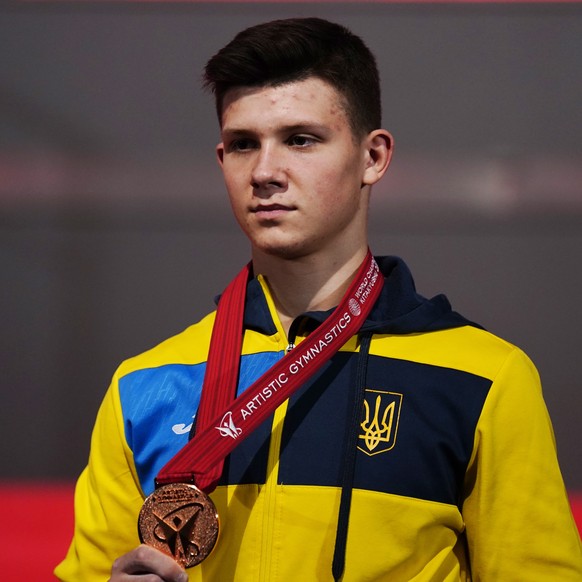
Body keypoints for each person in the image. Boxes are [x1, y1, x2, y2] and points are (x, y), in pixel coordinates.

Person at [55, 17, 582, 582]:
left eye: (300, 140)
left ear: (373, 157)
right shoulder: (145, 385)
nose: (264, 172)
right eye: (242, 145)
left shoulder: (485, 378)